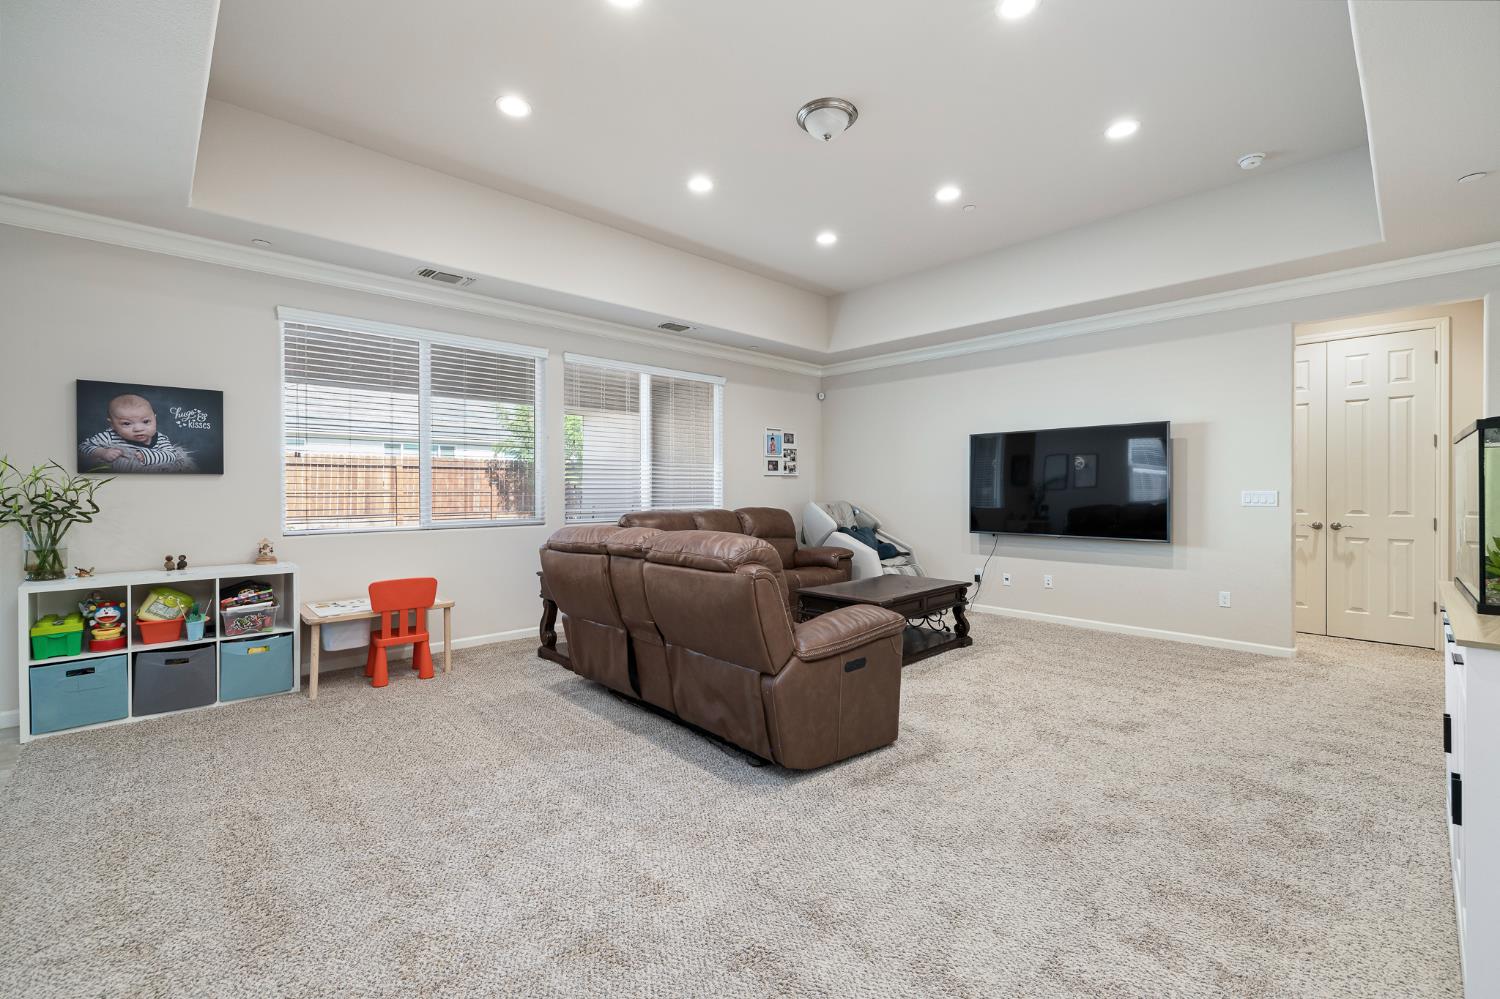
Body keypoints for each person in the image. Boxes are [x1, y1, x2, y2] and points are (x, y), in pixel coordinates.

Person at [79, 393, 195, 472]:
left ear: (154, 418)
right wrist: (102, 452)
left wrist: (149, 455)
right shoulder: (109, 436)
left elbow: (171, 455)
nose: (138, 429)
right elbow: (83, 447)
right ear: (112, 424)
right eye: (127, 423)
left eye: (145, 421)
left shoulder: (161, 438)